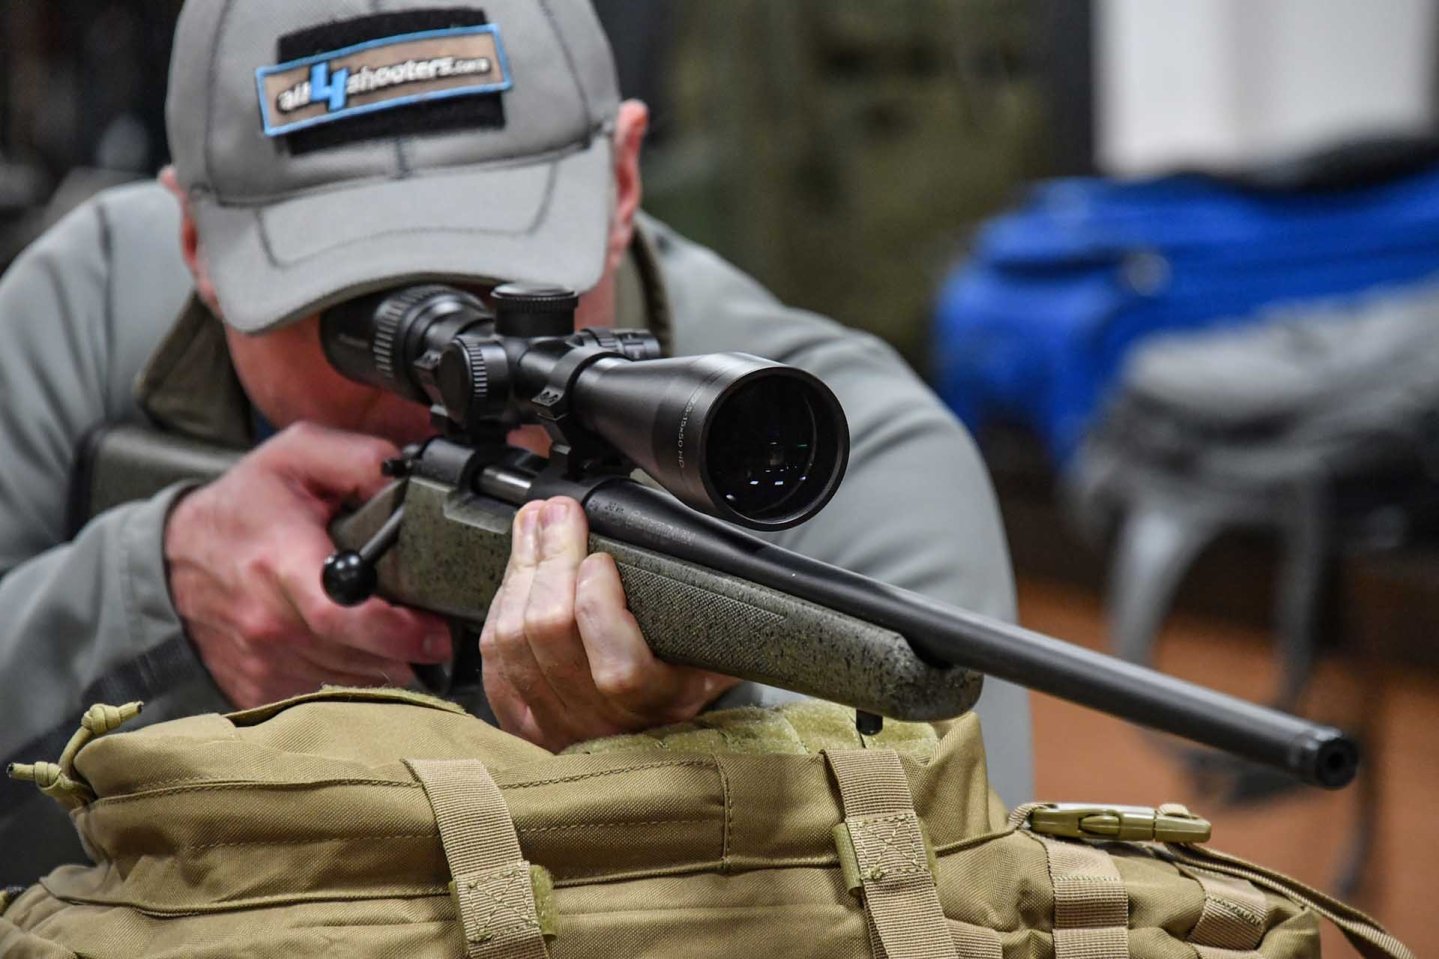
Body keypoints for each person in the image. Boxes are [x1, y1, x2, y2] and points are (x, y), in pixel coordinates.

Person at [0, 0, 1031, 880]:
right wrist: (148, 595)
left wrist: (693, 769)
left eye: (512, 290)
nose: (451, 372)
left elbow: (957, 900)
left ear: (622, 182)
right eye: (355, 315)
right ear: (197, 244)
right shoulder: (86, 308)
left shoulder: (834, 456)